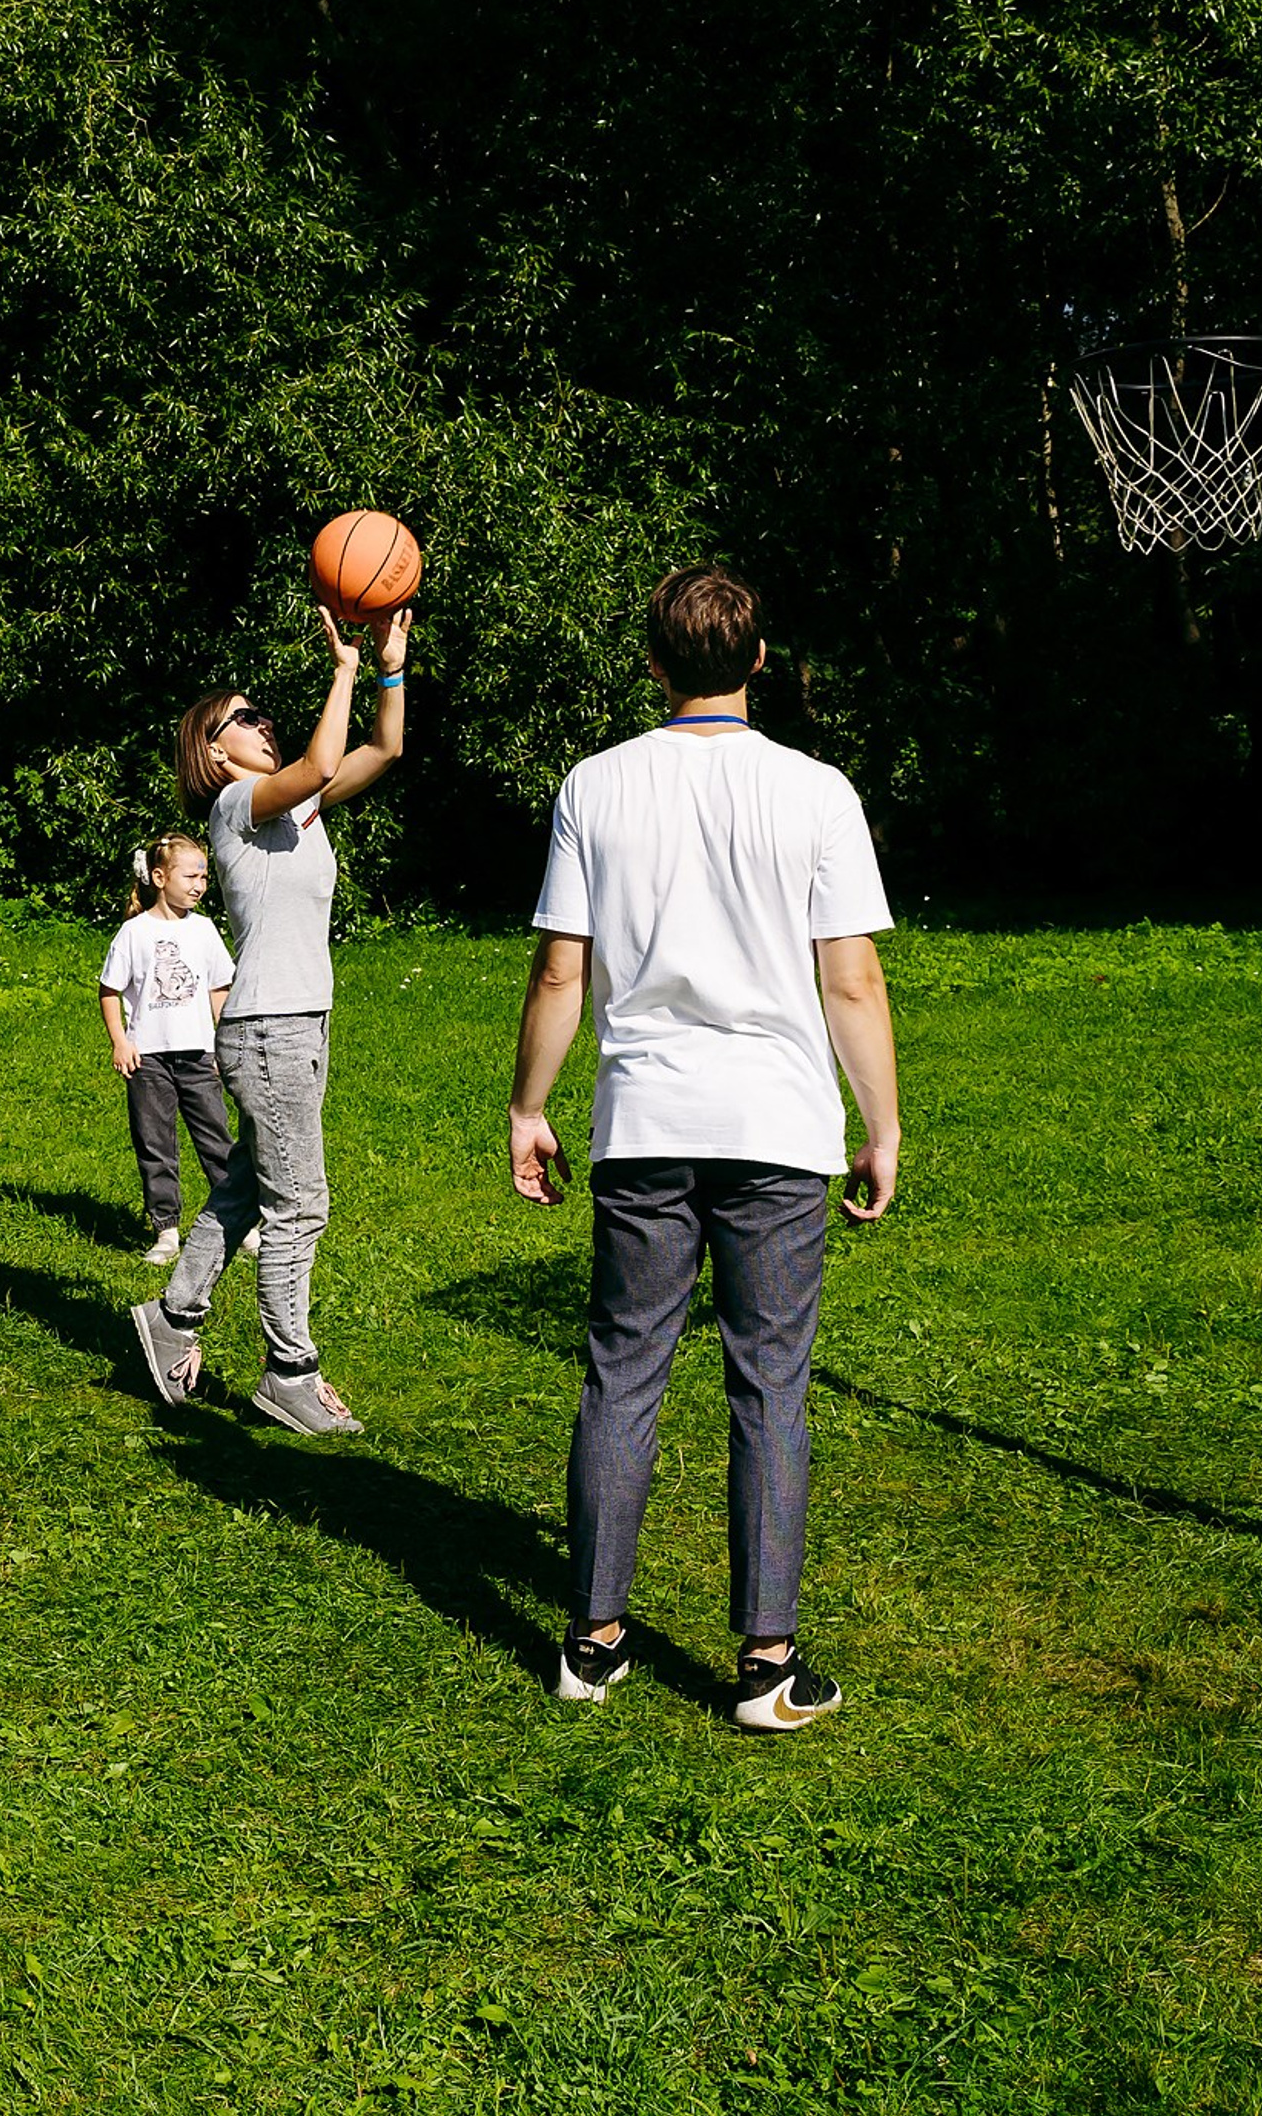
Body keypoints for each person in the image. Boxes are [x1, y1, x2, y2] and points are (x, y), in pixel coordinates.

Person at [507, 563, 900, 1731]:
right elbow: (851, 978)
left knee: (622, 1372)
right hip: (777, 1125)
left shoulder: (595, 783)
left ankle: (591, 1643)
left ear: (653, 663)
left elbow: (562, 969)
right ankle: (766, 1667)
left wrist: (529, 1107)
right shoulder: (816, 790)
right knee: (769, 1384)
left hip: (644, 1123)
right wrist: (881, 1125)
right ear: (759, 660)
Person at [130, 598, 411, 1434]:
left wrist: (389, 668)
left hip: (298, 1022)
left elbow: (383, 749)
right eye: (245, 718)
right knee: (301, 1204)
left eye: (261, 714)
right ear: (214, 750)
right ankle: (290, 1372)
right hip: (268, 1027)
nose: (263, 723)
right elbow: (323, 761)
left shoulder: (295, 810)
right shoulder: (234, 807)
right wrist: (343, 667)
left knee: (253, 1188)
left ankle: (172, 1316)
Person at [98, 834, 248, 1266]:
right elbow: (109, 990)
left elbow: (218, 988)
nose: (200, 885)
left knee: (217, 1140)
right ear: (160, 878)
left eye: (204, 877)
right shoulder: (134, 932)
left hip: (199, 1056)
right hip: (148, 1059)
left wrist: (224, 1042)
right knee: (155, 1144)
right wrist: (120, 1041)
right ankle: (166, 1230)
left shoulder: (203, 929)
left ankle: (238, 1224)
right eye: (191, 876)